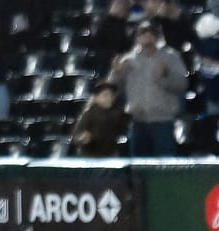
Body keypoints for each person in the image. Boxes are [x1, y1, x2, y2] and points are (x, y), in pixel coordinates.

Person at [109, 19, 188, 157]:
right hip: (137, 122)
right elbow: (112, 90)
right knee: (139, 168)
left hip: (163, 122)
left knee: (165, 165)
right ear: (137, 38)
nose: (147, 37)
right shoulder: (128, 60)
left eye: (151, 33)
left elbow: (182, 85)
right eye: (142, 34)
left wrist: (165, 77)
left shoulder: (171, 57)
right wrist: (116, 72)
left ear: (157, 37)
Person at [70, 81, 129, 157]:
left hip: (109, 155)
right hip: (90, 156)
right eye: (105, 95)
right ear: (96, 98)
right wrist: (82, 138)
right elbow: (76, 135)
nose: (109, 98)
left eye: (111, 95)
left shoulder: (117, 114)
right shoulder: (89, 114)